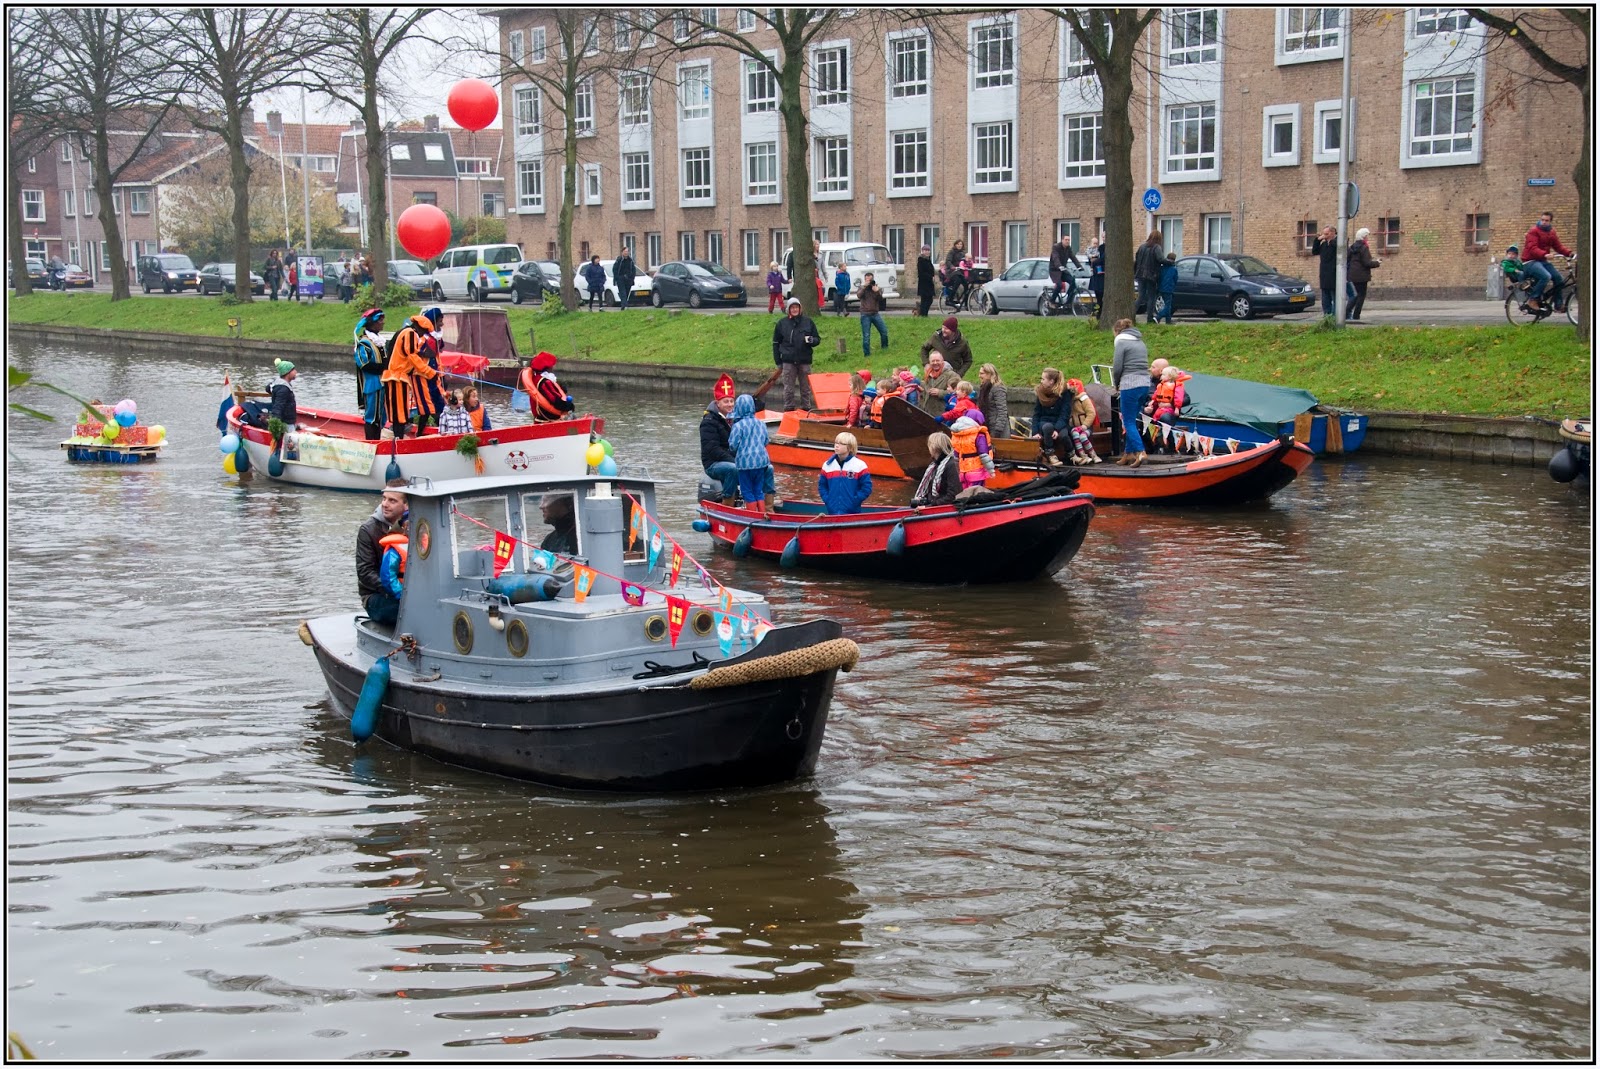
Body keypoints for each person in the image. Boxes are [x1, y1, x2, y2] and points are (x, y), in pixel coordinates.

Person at [357, 479, 409, 626]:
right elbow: (365, 573)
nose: (384, 504)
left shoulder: (418, 526)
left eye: (392, 500)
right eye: (384, 498)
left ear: (407, 505)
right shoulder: (367, 530)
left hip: (410, 590)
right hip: (375, 596)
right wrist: (398, 590)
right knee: (408, 609)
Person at [381, 310, 440, 439]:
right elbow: (413, 357)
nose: (423, 335)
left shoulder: (403, 332)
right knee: (400, 412)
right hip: (397, 377)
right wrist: (430, 372)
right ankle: (399, 439)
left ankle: (398, 437)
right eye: (424, 332)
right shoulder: (410, 334)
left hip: (394, 376)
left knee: (398, 411)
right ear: (419, 327)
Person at [1112, 318, 1151, 465]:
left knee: (1127, 421)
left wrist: (1116, 383)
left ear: (1117, 331)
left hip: (1130, 384)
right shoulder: (1140, 342)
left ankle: (1140, 452)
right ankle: (1128, 453)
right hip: (1145, 384)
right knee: (1132, 420)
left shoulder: (1121, 342)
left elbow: (1117, 367)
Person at [728, 393, 774, 516]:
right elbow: (766, 441)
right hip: (761, 462)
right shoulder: (761, 424)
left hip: (745, 464)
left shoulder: (738, 426)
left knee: (747, 491)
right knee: (758, 490)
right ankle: (763, 514)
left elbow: (733, 445)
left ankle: (752, 516)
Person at [771, 297, 819, 411]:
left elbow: (817, 339)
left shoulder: (808, 322)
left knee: (805, 388)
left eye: (796, 307)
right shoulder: (782, 323)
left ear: (800, 308)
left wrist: (812, 340)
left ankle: (806, 408)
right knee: (788, 388)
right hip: (788, 361)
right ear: (788, 309)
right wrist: (778, 361)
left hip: (804, 360)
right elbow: (776, 343)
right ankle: (789, 409)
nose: (794, 309)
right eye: (792, 307)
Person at [1520, 211, 1573, 312]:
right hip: (1530, 262)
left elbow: (1558, 246)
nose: (1544, 222)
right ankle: (1533, 299)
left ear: (1550, 222)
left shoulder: (1551, 232)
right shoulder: (1533, 231)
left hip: (1542, 261)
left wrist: (1569, 253)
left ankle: (1558, 305)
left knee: (1559, 279)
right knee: (1546, 276)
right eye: (1542, 220)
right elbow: (1532, 248)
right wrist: (1545, 254)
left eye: (1546, 220)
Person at [701, 374, 742, 503]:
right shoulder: (708, 421)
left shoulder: (736, 419)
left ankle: (757, 502)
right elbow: (712, 449)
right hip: (713, 463)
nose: (730, 405)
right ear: (717, 403)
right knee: (733, 469)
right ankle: (728, 502)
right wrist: (735, 461)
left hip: (732, 459)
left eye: (731, 401)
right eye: (726, 401)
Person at [353, 307, 387, 441]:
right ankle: (371, 442)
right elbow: (364, 364)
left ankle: (377, 441)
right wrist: (383, 368)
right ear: (373, 323)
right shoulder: (364, 343)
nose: (383, 323)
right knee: (372, 417)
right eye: (380, 320)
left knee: (380, 416)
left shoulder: (379, 342)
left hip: (382, 383)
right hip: (372, 384)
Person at [818, 432, 873, 515]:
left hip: (852, 512)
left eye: (841, 443)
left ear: (850, 447)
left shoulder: (860, 465)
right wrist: (828, 500)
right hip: (832, 511)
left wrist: (855, 501)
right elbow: (822, 486)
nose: (836, 446)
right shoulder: (827, 465)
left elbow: (866, 488)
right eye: (836, 443)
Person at [518, 350, 575, 422]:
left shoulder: (535, 378)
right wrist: (569, 406)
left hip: (539, 418)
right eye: (551, 365)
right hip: (548, 419)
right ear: (547, 367)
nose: (553, 367)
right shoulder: (545, 382)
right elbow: (555, 400)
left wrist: (561, 390)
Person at [1031, 367, 1072, 467]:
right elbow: (1036, 414)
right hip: (1044, 422)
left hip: (1058, 422)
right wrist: (1035, 432)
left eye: (1043, 379)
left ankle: (1072, 454)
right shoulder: (1041, 393)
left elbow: (1064, 414)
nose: (1041, 381)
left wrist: (1057, 429)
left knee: (1064, 435)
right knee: (1047, 427)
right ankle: (1050, 453)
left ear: (1051, 381)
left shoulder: (1064, 393)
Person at [910, 432, 962, 508]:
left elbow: (952, 495)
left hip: (943, 508)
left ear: (934, 447)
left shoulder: (951, 465)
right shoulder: (935, 466)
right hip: (934, 505)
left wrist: (929, 506)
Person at [949, 410, 995, 489]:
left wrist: (959, 471)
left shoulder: (957, 435)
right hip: (976, 471)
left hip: (963, 472)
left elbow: (956, 456)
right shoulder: (979, 435)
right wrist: (991, 470)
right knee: (976, 492)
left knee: (965, 492)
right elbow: (984, 455)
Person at [1345, 227, 1381, 321]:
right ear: (1364, 237)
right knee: (1361, 296)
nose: (1367, 238)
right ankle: (1356, 315)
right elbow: (1367, 263)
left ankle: (1346, 312)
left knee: (1354, 295)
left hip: (1352, 275)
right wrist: (1377, 263)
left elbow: (1348, 259)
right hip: (1362, 276)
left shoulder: (1352, 247)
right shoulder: (1364, 247)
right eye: (1367, 236)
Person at [1065, 376, 1100, 464]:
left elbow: (1091, 413)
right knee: (1075, 433)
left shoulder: (1084, 399)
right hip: (1075, 427)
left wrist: (1085, 425)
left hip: (1086, 427)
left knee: (1083, 436)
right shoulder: (1069, 400)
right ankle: (1083, 455)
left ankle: (1093, 454)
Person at [1133, 229, 1164, 322]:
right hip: (1151, 275)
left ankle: (1131, 314)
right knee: (1151, 297)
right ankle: (1149, 318)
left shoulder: (1142, 247)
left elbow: (1137, 259)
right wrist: (1170, 261)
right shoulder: (1157, 247)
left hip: (1140, 274)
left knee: (1140, 296)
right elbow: (1160, 259)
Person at [918, 351, 961, 417]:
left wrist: (940, 393)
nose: (935, 363)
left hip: (943, 415)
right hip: (926, 413)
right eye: (933, 361)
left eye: (937, 360)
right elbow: (923, 394)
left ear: (942, 361)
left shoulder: (952, 375)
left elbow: (960, 393)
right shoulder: (927, 374)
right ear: (929, 362)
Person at [1048, 232, 1083, 308]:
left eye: (1069, 240)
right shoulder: (1056, 247)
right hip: (1055, 270)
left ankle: (1068, 302)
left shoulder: (1068, 248)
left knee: (1072, 281)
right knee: (1059, 285)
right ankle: (1052, 301)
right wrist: (1059, 266)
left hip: (1063, 270)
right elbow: (1055, 257)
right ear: (1062, 240)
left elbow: (1073, 257)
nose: (1067, 241)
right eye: (1066, 240)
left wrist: (1079, 266)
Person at [975, 363, 1010, 440]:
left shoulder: (998, 389)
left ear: (989, 374)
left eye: (982, 373)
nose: (979, 376)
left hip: (997, 429)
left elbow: (1002, 410)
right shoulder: (984, 388)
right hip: (987, 425)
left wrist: (998, 430)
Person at [1310, 225, 1339, 316]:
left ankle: (1335, 316)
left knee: (1335, 298)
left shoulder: (1338, 242)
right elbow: (1315, 251)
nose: (1324, 235)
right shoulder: (1324, 244)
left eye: (1327, 233)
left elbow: (1339, 248)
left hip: (1334, 275)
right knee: (1325, 299)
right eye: (1324, 233)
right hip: (1324, 275)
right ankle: (1327, 316)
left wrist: (1331, 241)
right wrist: (1317, 240)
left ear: (1333, 233)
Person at [858, 271, 888, 356]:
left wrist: (877, 291)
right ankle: (867, 354)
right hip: (865, 314)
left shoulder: (876, 288)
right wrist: (864, 287)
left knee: (884, 331)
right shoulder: (862, 288)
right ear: (865, 280)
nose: (869, 282)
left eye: (870, 280)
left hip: (875, 314)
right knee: (866, 335)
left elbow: (881, 300)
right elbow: (859, 295)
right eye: (867, 280)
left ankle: (885, 349)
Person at [268, 359, 299, 432]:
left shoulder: (277, 384)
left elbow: (268, 388)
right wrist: (275, 424)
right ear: (287, 372)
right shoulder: (283, 389)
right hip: (286, 423)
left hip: (288, 421)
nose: (296, 372)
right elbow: (278, 406)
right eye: (293, 370)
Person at [1156, 252, 1178, 324]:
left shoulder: (1162, 268)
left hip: (1161, 288)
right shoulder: (1174, 269)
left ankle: (1168, 321)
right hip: (1169, 289)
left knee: (1167, 305)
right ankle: (1158, 317)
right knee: (1168, 306)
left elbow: (1159, 278)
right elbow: (1175, 279)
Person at [1086, 238, 1106, 318]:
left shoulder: (1102, 249)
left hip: (1101, 277)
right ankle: (1098, 314)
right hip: (1097, 276)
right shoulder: (1099, 248)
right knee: (1099, 297)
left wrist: (1094, 261)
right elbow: (1090, 259)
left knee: (1100, 298)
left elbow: (1101, 260)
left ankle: (1099, 314)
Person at [916, 245, 936, 317]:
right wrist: (930, 277)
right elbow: (921, 273)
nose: (927, 252)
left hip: (929, 283)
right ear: (922, 251)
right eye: (925, 250)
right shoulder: (921, 260)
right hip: (924, 283)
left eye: (928, 250)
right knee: (925, 299)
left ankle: (924, 314)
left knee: (929, 299)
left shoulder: (928, 260)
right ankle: (923, 314)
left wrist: (932, 276)